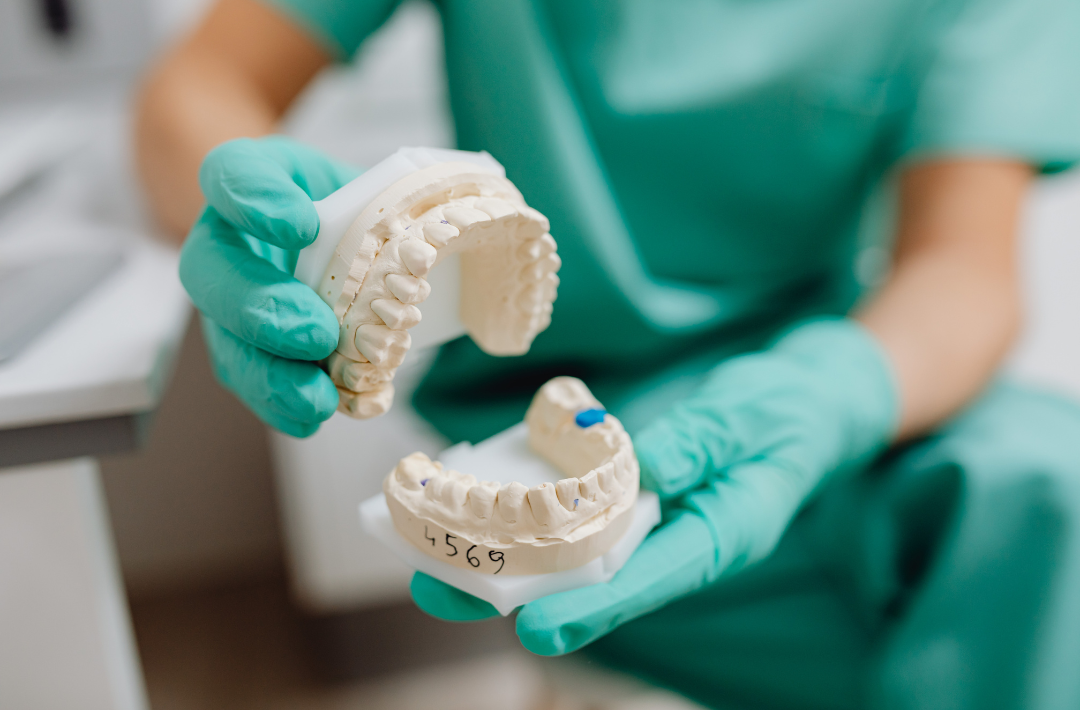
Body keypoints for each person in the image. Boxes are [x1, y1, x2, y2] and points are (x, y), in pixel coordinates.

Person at [136, 0, 1080, 707]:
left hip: (824, 382)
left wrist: (840, 389)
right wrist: (275, 233)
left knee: (1048, 495)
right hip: (534, 414)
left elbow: (963, 267)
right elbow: (201, 84)